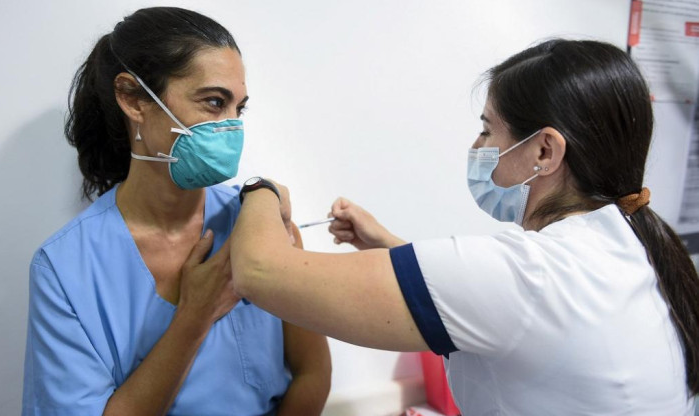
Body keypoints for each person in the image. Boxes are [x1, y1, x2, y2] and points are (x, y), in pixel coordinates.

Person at [230, 39, 699, 415]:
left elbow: (261, 274)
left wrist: (259, 189)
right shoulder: (630, 244)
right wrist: (386, 245)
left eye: (488, 130)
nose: (476, 146)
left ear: (544, 152)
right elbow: (490, 304)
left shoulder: (530, 274)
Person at [21, 7, 330, 416]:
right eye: (214, 102)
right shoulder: (64, 268)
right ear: (133, 98)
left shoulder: (262, 224)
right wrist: (194, 316)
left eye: (239, 108)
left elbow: (312, 372)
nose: (232, 126)